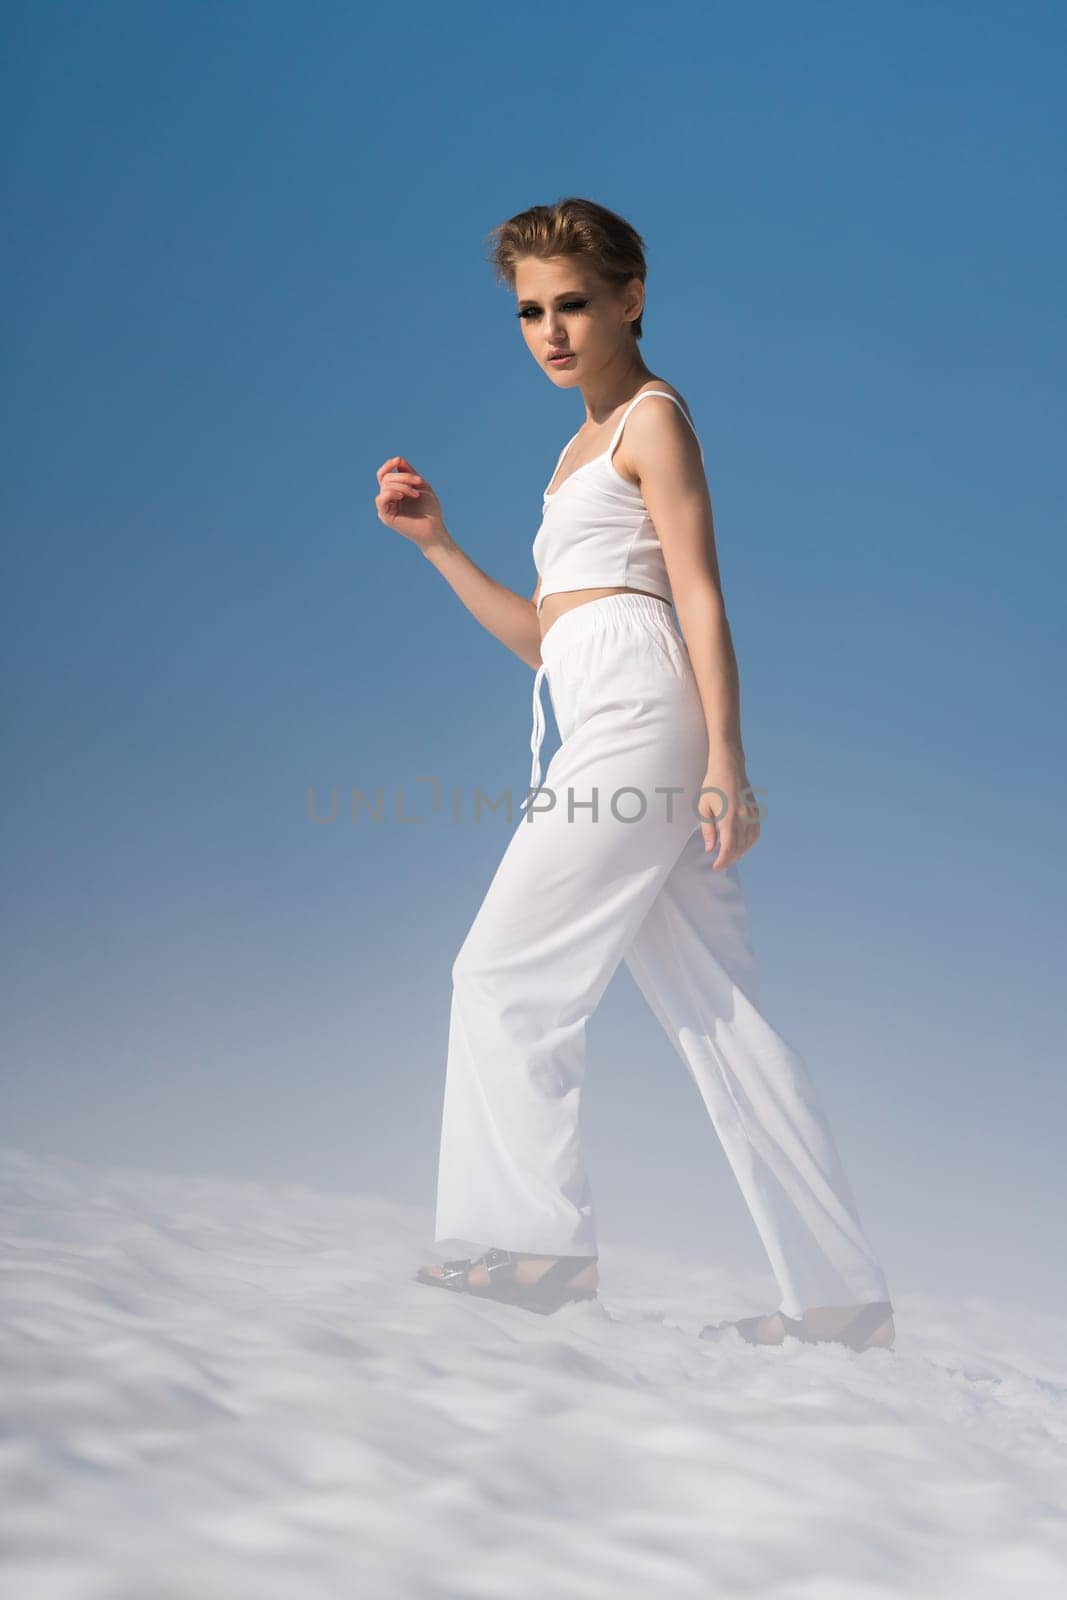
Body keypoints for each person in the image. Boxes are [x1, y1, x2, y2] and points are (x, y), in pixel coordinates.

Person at [373, 197, 895, 1351]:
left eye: (572, 304)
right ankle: (840, 1299)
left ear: (631, 297)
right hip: (592, 699)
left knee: (500, 972)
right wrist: (440, 545)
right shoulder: (572, 456)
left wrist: (726, 756)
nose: (551, 331)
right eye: (528, 312)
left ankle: (541, 1248)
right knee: (722, 1013)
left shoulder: (651, 422)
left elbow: (696, 595)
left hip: (645, 716)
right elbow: (548, 638)